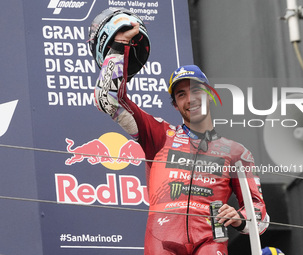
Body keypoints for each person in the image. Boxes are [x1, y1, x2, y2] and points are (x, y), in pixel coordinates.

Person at [90, 8, 269, 255]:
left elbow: (261, 216)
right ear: (175, 104)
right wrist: (120, 47)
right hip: (161, 240)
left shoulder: (237, 153)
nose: (190, 99)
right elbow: (109, 101)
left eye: (196, 90)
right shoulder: (160, 135)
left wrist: (238, 218)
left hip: (210, 242)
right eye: (181, 94)